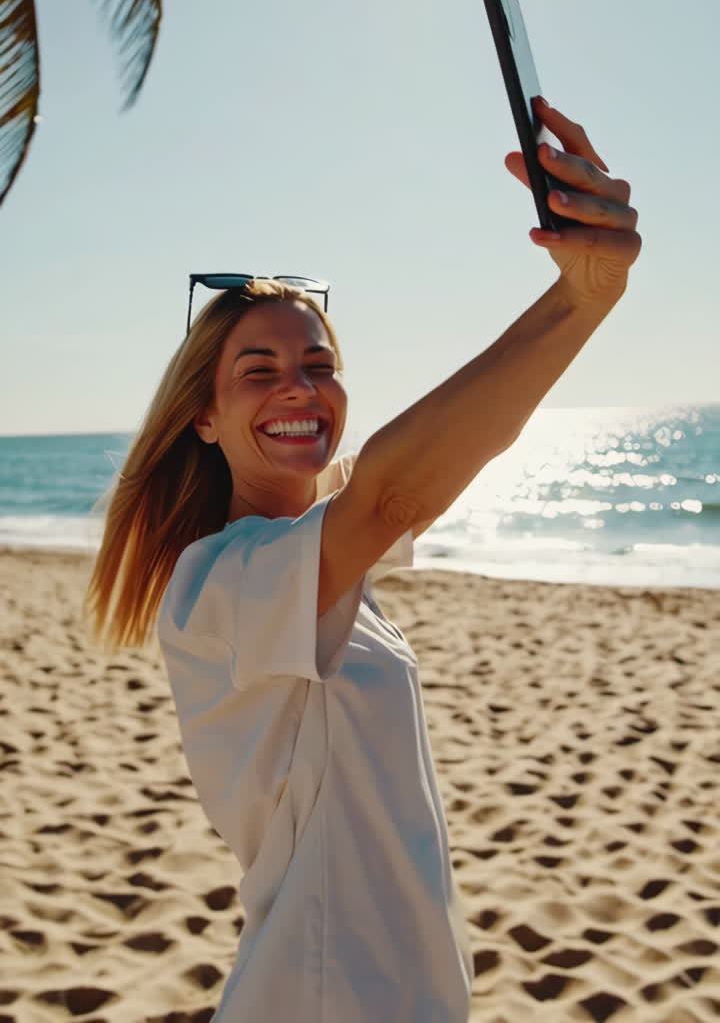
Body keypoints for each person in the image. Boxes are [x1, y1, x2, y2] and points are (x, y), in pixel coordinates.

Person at [87, 99, 641, 1022]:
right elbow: (393, 491)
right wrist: (582, 296)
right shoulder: (220, 584)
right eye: (256, 370)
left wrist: (594, 278)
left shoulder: (324, 562)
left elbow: (396, 483)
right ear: (204, 417)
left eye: (318, 361)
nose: (299, 387)